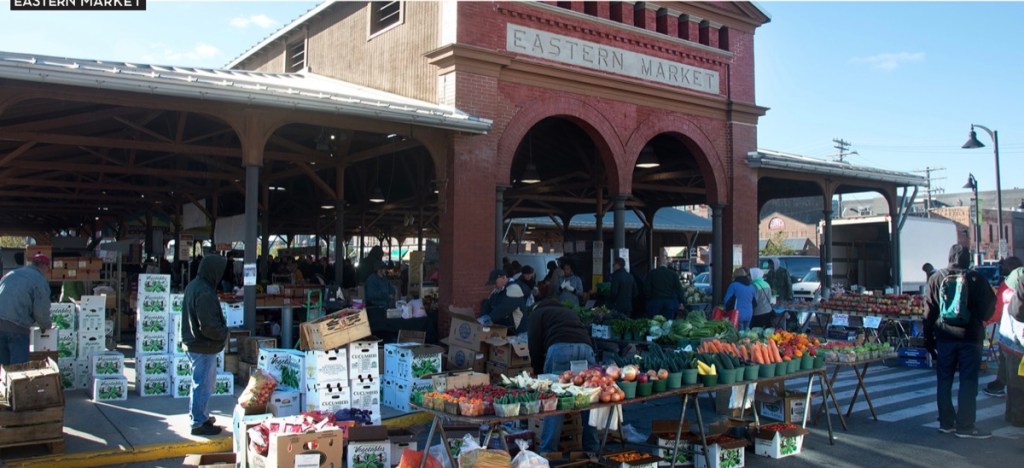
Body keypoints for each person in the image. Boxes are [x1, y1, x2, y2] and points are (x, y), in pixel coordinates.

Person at [924, 244, 996, 439]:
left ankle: (946, 422)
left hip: (944, 337)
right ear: (967, 258)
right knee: (968, 381)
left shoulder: (936, 278)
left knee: (944, 380)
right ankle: (966, 425)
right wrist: (976, 319)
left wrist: (928, 340)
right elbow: (989, 306)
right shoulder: (976, 278)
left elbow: (928, 312)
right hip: (970, 337)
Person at [527, 298, 599, 453]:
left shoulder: (536, 314)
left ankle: (548, 451)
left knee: (555, 400)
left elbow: (534, 346)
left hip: (560, 350)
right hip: (586, 348)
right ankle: (592, 449)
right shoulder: (568, 312)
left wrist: (540, 374)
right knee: (588, 397)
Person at [181, 254, 229, 436]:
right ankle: (199, 422)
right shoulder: (204, 292)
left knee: (202, 383)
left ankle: (200, 415)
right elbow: (208, 325)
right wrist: (224, 333)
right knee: (202, 383)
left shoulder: (195, 286)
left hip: (195, 343)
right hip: (202, 345)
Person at [0, 253, 52, 366]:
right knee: (18, 371)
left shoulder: (12, 274)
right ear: (45, 266)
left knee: (2, 369)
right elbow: (41, 311)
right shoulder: (39, 280)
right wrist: (46, 325)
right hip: (17, 327)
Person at [985, 256, 1023, 398]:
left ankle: (1001, 385)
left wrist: (985, 322)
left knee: (1009, 365)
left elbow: (998, 309)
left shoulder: (1006, 287)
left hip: (1010, 335)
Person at [1004, 265, 1024, 427]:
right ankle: (1016, 415)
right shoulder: (1016, 295)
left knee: (1014, 382)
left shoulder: (1008, 293)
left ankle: (1013, 414)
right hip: (1017, 344)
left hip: (1011, 343)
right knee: (1017, 382)